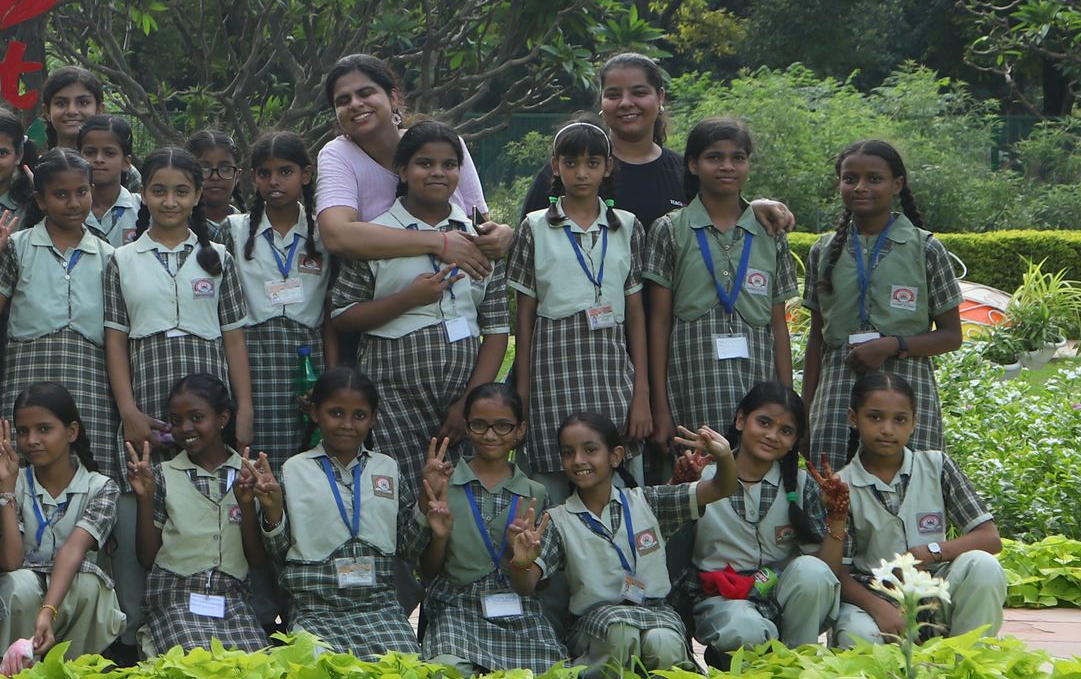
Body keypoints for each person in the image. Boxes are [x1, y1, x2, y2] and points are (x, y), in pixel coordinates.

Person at [323, 121, 511, 464]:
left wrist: (469, 404)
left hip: (464, 400)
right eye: (425, 163)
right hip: (393, 399)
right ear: (402, 170)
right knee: (399, 485)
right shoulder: (376, 237)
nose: (437, 172)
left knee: (461, 488)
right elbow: (342, 316)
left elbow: (497, 330)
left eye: (449, 164)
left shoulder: (482, 240)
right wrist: (408, 299)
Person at [643, 117, 796, 470]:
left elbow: (778, 326)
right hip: (691, 386)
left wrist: (789, 404)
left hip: (758, 386)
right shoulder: (670, 230)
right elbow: (659, 322)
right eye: (715, 157)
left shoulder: (769, 232)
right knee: (697, 479)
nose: (727, 166)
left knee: (756, 478)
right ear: (693, 165)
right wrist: (660, 407)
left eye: (737, 158)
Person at [802, 140, 963, 467]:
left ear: (897, 185)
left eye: (874, 179)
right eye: (850, 179)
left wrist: (893, 345)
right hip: (837, 395)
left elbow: (951, 336)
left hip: (906, 393)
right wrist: (805, 412)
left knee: (910, 482)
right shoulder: (823, 251)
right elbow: (817, 338)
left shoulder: (925, 249)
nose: (860, 187)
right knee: (835, 484)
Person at [505, 123, 647, 484]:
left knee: (615, 474)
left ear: (608, 167)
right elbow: (525, 315)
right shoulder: (534, 227)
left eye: (592, 163)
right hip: (551, 374)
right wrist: (522, 391)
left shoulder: (628, 227)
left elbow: (635, 314)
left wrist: (642, 394)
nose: (581, 173)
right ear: (556, 166)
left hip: (612, 374)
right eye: (571, 163)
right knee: (553, 474)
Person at [520, 53, 796, 238]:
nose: (626, 103)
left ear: (660, 97)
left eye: (639, 92)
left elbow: (722, 220)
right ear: (602, 101)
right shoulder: (566, 170)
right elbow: (527, 242)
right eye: (613, 94)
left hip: (675, 311)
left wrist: (752, 208)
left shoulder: (685, 172)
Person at [104, 147, 251, 484]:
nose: (170, 202)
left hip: (210, 387)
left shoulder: (219, 258)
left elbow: (234, 339)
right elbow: (115, 342)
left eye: (181, 192)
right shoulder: (122, 260)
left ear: (197, 195)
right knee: (152, 485)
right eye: (159, 191)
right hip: (148, 389)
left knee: (211, 482)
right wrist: (129, 411)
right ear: (144, 195)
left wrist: (244, 409)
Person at [248, 366, 417, 659]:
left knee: (407, 668)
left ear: (373, 418)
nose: (347, 424)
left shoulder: (387, 469)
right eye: (336, 413)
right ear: (315, 413)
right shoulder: (294, 470)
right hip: (315, 610)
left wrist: (426, 509)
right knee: (321, 669)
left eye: (359, 415)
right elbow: (279, 553)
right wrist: (272, 509)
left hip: (380, 609)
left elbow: (408, 547)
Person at [830, 368, 1007, 643]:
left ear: (914, 422)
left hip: (936, 587)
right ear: (854, 417)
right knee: (857, 637)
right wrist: (879, 608)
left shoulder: (937, 466)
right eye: (875, 417)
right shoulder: (842, 485)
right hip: (875, 596)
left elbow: (989, 538)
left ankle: (969, 658)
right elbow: (838, 570)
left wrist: (929, 552)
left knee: (983, 565)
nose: (887, 429)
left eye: (900, 419)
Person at [679, 382, 849, 662]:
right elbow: (671, 548)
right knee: (746, 629)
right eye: (764, 422)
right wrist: (680, 485)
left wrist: (837, 517)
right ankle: (731, 662)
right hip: (721, 598)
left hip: (780, 595)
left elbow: (827, 571)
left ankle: (800, 664)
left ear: (794, 441)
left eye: (786, 431)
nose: (772, 436)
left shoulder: (800, 484)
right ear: (741, 420)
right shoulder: (704, 478)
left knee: (813, 572)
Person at [408, 382, 563, 674]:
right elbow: (427, 571)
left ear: (520, 430)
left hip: (518, 610)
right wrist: (439, 537)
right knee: (446, 671)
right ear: (467, 427)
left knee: (552, 678)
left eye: (503, 426)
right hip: (457, 607)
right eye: (479, 425)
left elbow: (530, 586)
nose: (490, 435)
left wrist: (521, 561)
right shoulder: (446, 484)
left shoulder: (536, 494)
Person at [0, 150, 114, 459]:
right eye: (60, 194)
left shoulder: (109, 257)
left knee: (88, 471)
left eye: (81, 192)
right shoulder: (17, 247)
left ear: (92, 191)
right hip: (28, 377)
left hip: (89, 384)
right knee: (22, 471)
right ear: (40, 200)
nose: (73, 203)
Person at [311, 53, 510, 277]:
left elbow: (479, 222)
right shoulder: (338, 155)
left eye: (365, 93)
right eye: (343, 101)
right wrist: (439, 243)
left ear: (393, 98)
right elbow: (337, 236)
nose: (355, 104)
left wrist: (502, 234)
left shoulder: (444, 145)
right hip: (382, 291)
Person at [126, 372, 267, 655]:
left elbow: (256, 559)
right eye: (176, 420)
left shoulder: (248, 472)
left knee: (259, 666)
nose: (185, 428)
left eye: (197, 417)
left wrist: (246, 505)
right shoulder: (162, 475)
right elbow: (148, 558)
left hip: (231, 599)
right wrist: (145, 499)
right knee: (196, 662)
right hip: (176, 597)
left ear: (222, 418)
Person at [542, 411, 694, 675]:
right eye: (568, 453)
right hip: (595, 620)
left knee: (664, 643)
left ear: (615, 456)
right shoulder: (558, 519)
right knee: (621, 634)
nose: (578, 460)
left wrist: (724, 456)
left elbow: (720, 488)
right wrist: (522, 563)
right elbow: (527, 581)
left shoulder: (645, 502)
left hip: (654, 611)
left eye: (590, 450)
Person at [0, 381, 124, 661]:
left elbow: (73, 551)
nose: (32, 440)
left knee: (89, 585)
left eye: (44, 429)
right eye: (23, 431)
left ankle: (74, 673)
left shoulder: (101, 488)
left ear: (71, 431)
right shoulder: (13, 482)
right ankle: (13, 673)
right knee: (17, 584)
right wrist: (5, 489)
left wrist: (47, 610)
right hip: (25, 590)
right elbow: (10, 562)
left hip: (71, 592)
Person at [226, 131, 330, 457]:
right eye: (264, 173)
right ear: (253, 177)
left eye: (285, 171)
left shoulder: (324, 231)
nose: (274, 181)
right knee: (257, 454)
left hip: (309, 355)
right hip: (253, 356)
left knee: (312, 451)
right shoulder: (234, 230)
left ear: (306, 175)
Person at [76, 114, 138, 246]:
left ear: (126, 162)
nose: (98, 159)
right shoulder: (69, 208)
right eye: (90, 152)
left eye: (109, 153)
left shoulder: (142, 208)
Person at [187, 130, 243, 234]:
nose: (215, 177)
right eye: (204, 169)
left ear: (237, 176)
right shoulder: (174, 229)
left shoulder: (250, 228)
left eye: (225, 169)